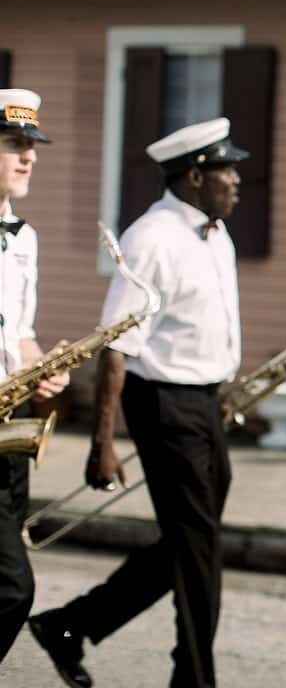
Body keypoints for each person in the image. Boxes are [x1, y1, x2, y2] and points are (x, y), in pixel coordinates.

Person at [29, 117, 247, 688]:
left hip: (203, 402)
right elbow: (116, 346)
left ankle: (70, 625)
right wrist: (101, 444)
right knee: (198, 550)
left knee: (188, 542)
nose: (236, 180)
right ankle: (193, 680)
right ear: (195, 175)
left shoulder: (216, 234)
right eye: (227, 169)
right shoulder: (150, 239)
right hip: (163, 405)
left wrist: (220, 389)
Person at [0, 88, 70, 664]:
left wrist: (44, 368)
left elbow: (19, 334)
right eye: (14, 144)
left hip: (10, 424)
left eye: (32, 145)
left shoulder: (25, 238)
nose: (30, 157)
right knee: (11, 589)